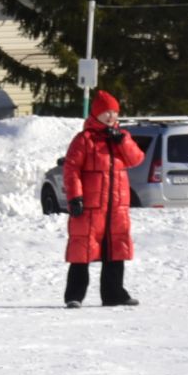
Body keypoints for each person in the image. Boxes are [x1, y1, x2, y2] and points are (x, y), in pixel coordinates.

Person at [62, 89, 143, 308]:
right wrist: (75, 197)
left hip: (116, 207)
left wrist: (122, 142)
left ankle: (114, 294)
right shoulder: (84, 140)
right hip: (90, 207)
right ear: (96, 113)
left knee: (116, 250)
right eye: (107, 112)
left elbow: (137, 159)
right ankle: (74, 296)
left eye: (114, 113)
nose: (111, 117)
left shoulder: (121, 138)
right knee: (82, 250)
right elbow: (71, 170)